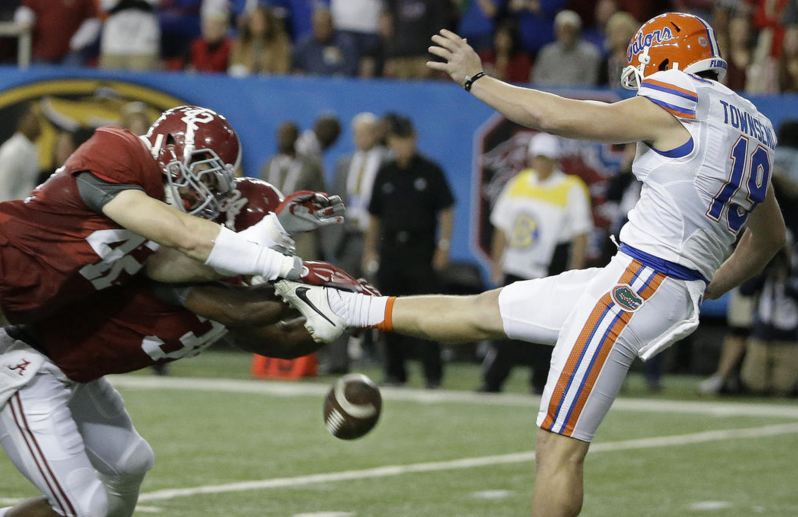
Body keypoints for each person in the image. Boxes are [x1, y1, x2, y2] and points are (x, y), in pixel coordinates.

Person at [276, 13, 786, 517]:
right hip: (651, 283)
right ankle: (347, 308)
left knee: (558, 452)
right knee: (483, 311)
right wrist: (706, 286)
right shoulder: (753, 125)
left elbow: (552, 116)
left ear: (668, 58)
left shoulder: (681, 99)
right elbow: (769, 239)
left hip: (636, 286)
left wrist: (477, 79)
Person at [0, 105, 343, 406]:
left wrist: (318, 283)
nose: (212, 191)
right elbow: (187, 237)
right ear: (174, 149)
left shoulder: (162, 233)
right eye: (207, 173)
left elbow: (180, 262)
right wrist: (283, 255)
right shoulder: (120, 153)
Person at [0, 178, 370, 517]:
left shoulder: (229, 286)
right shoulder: (172, 269)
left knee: (130, 463)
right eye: (267, 245)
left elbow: (275, 340)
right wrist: (321, 290)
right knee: (86, 507)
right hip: (25, 369)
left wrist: (338, 319)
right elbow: (242, 314)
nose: (272, 257)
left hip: (72, 375)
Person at [480, 132, 592, 394]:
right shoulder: (519, 183)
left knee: (548, 326)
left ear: (555, 160)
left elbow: (580, 234)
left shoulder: (570, 187)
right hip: (517, 263)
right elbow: (502, 226)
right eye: (537, 158)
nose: (541, 164)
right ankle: (494, 379)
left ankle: (541, 382)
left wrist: (574, 271)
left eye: (546, 159)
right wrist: (498, 262)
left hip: (551, 263)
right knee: (504, 324)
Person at [363, 114, 454, 389]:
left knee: (428, 313)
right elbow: (375, 216)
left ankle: (433, 374)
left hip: (421, 250)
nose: (404, 147)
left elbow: (447, 212)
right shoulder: (386, 172)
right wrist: (370, 249)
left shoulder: (430, 171)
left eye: (408, 140)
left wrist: (444, 246)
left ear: (414, 140)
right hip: (391, 250)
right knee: (389, 313)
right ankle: (395, 372)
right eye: (399, 141)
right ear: (391, 142)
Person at [322, 112, 386, 374]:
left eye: (365, 132)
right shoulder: (344, 164)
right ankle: (338, 361)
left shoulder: (387, 162)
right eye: (356, 133)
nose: (360, 138)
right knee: (339, 299)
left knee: (381, 301)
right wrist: (331, 240)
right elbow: (333, 203)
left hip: (377, 240)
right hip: (347, 238)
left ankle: (387, 363)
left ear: (376, 134)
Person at [736, 243, 798, 396]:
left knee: (783, 387)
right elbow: (745, 291)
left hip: (790, 335)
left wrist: (787, 284)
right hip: (763, 333)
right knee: (753, 383)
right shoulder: (766, 272)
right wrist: (763, 271)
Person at [260, 121, 327, 260]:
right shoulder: (268, 166)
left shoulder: (310, 166)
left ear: (297, 137)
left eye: (289, 135)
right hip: (272, 231)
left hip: (302, 233)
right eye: (281, 135)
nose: (284, 139)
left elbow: (321, 196)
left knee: (304, 271)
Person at [530, 9, 602, 87]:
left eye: (570, 30)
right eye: (563, 30)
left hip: (578, 97)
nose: (566, 34)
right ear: (557, 31)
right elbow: (536, 79)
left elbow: (590, 83)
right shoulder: (546, 52)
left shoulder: (590, 54)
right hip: (549, 95)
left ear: (577, 31)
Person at [0, 108, 41, 205]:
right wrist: (6, 216)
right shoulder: (13, 151)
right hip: (11, 215)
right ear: (22, 122)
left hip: (23, 213)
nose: (38, 125)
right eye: (34, 120)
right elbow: (2, 189)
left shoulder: (30, 150)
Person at [291, 6, 359, 77]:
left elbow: (351, 69)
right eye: (317, 26)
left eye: (324, 26)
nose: (321, 30)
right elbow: (296, 68)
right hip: (310, 85)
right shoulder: (303, 45)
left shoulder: (345, 45)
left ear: (331, 26)